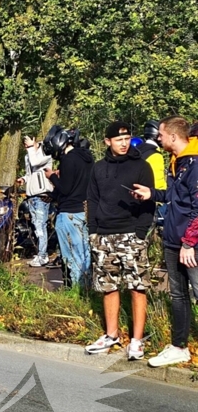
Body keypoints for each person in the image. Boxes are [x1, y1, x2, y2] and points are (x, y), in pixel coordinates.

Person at [84, 121, 155, 360]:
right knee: (108, 286)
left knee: (137, 286)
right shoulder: (98, 168)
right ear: (108, 142)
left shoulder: (142, 166)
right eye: (118, 139)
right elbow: (92, 200)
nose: (124, 143)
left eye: (127, 138)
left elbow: (149, 202)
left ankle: (137, 340)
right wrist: (93, 231)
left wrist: (141, 233)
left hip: (131, 234)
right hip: (103, 235)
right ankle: (111, 334)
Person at [132, 116, 198, 367]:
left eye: (160, 134)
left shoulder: (194, 163)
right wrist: (153, 194)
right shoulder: (176, 162)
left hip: (190, 244)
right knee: (178, 295)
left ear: (173, 136)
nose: (157, 138)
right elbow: (174, 197)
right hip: (174, 240)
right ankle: (179, 346)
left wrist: (189, 242)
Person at [44, 126, 94, 288]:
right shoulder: (87, 158)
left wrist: (52, 176)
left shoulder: (67, 160)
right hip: (84, 210)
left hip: (69, 213)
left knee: (71, 256)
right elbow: (77, 185)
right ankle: (87, 287)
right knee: (85, 253)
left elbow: (65, 189)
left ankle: (76, 290)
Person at [18, 133, 54, 267]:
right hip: (31, 195)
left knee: (40, 226)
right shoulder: (29, 155)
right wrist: (23, 179)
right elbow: (30, 173)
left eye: (28, 142)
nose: (26, 146)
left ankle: (43, 255)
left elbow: (35, 162)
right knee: (36, 226)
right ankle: (40, 253)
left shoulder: (45, 154)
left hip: (42, 195)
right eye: (24, 144)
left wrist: (31, 147)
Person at [138, 119, 167, 191]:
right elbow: (158, 183)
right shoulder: (155, 155)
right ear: (157, 136)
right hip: (151, 196)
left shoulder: (139, 149)